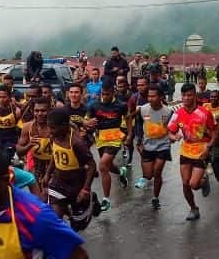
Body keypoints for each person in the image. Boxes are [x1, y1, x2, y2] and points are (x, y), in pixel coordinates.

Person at [43, 107, 97, 230]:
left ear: (64, 126)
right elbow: (55, 155)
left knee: (78, 226)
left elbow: (92, 165)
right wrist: (47, 174)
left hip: (76, 186)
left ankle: (91, 198)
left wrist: (85, 189)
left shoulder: (77, 143)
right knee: (55, 221)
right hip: (58, 184)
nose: (50, 131)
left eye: (53, 128)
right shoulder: (54, 137)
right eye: (49, 127)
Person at [168, 83, 216, 220]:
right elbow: (170, 132)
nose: (186, 98)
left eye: (189, 95)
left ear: (195, 96)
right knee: (185, 184)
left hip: (201, 150)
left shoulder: (205, 113)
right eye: (184, 95)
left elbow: (214, 132)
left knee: (194, 184)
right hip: (185, 151)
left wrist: (209, 147)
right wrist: (174, 137)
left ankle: (203, 180)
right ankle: (194, 209)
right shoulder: (177, 114)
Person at [85, 78, 129, 211]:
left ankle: (106, 200)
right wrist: (88, 124)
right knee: (108, 167)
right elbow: (87, 121)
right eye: (103, 94)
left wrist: (129, 135)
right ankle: (121, 172)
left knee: (102, 165)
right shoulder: (94, 106)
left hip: (115, 138)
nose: (105, 97)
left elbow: (128, 118)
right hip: (100, 139)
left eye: (107, 94)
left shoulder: (121, 105)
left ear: (113, 92)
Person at [136, 84, 173, 209]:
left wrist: (174, 136)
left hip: (163, 146)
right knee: (148, 175)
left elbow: (174, 128)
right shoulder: (143, 109)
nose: (150, 99)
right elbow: (139, 123)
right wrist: (139, 139)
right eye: (148, 96)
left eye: (153, 96)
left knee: (157, 172)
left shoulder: (168, 112)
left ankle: (155, 198)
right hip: (147, 146)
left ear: (161, 97)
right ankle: (146, 178)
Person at [16, 96, 54, 181]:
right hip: (36, 166)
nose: (39, 114)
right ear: (33, 111)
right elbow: (19, 150)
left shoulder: (56, 127)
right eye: (37, 111)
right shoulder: (28, 127)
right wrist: (28, 146)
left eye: (43, 111)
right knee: (38, 193)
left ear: (49, 111)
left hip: (54, 166)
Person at [0, 86, 23, 161]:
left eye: (4, 97)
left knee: (7, 156)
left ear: (9, 97)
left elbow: (21, 129)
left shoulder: (17, 111)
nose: (1, 100)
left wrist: (20, 142)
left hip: (12, 138)